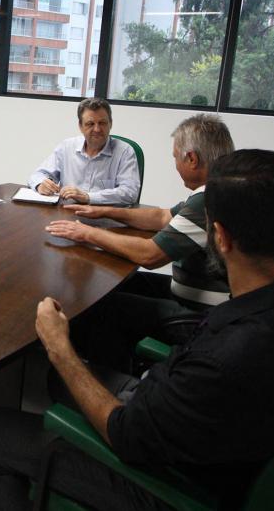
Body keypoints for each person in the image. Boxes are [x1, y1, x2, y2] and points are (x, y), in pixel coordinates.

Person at [0, 149, 274, 510]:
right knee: (58, 384)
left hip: (174, 486)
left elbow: (124, 435)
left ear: (221, 238)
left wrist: (59, 347)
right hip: (227, 445)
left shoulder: (229, 358)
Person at [45, 114, 234, 363]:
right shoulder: (221, 187)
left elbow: (150, 255)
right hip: (198, 296)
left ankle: (105, 377)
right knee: (119, 282)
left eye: (176, 157)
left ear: (192, 159)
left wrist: (87, 232)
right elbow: (161, 216)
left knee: (102, 306)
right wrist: (103, 210)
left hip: (205, 316)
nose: (175, 165)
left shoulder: (209, 200)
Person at [28, 98, 140, 205]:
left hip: (106, 216)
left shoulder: (125, 152)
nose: (97, 129)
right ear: (80, 126)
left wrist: (88, 197)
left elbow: (130, 192)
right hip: (67, 213)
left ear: (110, 124)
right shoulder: (66, 147)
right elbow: (38, 174)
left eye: (102, 123)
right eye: (90, 124)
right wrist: (40, 184)